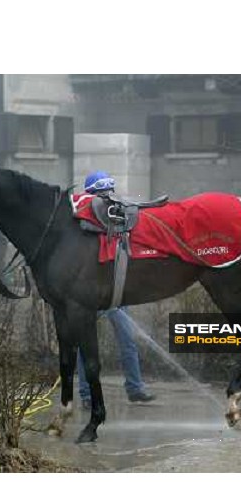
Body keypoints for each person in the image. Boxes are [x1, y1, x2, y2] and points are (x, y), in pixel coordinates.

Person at [77, 171, 156, 409]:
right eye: (102, 193)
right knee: (86, 346)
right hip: (92, 296)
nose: (107, 197)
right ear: (91, 195)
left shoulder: (119, 219)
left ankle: (135, 388)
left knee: (127, 341)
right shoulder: (83, 224)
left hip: (116, 293)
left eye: (109, 192)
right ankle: (87, 395)